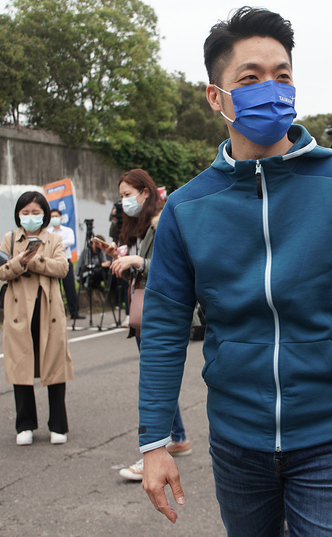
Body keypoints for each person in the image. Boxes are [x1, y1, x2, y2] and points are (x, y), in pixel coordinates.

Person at [137, 6, 332, 535]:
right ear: (216, 96)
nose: (270, 89)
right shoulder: (187, 208)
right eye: (249, 78)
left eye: (282, 76)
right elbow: (162, 328)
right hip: (236, 443)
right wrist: (154, 441)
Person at [113, 169, 192, 482]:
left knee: (155, 376)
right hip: (144, 309)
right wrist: (124, 260)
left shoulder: (161, 223)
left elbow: (170, 266)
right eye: (121, 196)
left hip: (158, 312)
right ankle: (177, 436)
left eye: (128, 194)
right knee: (157, 376)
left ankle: (158, 446)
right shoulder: (141, 226)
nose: (124, 202)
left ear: (145, 193)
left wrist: (137, 263)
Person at [0, 191, 72, 446]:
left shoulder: (55, 239)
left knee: (55, 366)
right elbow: (0, 271)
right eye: (25, 213)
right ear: (18, 214)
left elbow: (62, 268)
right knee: (21, 368)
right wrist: (19, 261)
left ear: (45, 215)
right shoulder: (9, 239)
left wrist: (34, 259)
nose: (30, 217)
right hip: (19, 313)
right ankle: (25, 425)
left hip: (49, 311)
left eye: (36, 213)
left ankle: (58, 425)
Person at [47, 208, 85, 320]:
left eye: (56, 216)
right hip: (53, 261)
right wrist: (60, 244)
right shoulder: (48, 232)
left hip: (66, 261)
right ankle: (57, 313)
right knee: (55, 288)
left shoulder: (67, 230)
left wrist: (56, 244)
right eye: (52, 216)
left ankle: (74, 312)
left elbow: (71, 242)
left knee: (70, 287)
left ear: (61, 217)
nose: (54, 218)